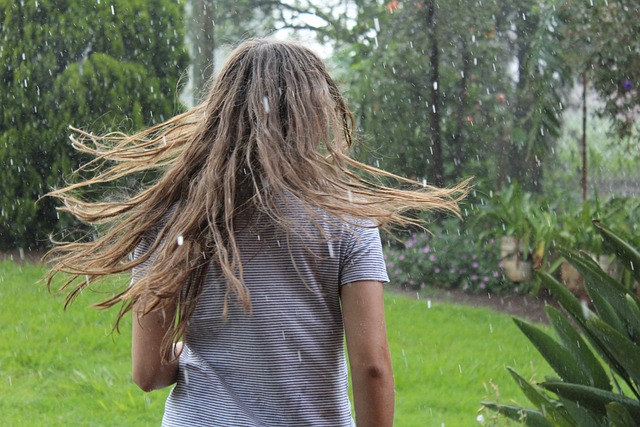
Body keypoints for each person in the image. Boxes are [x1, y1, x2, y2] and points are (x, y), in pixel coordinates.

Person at [45, 38, 469, 426]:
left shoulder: (173, 212)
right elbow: (372, 365)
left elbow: (148, 373)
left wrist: (211, 361)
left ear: (221, 111)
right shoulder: (347, 215)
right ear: (316, 113)